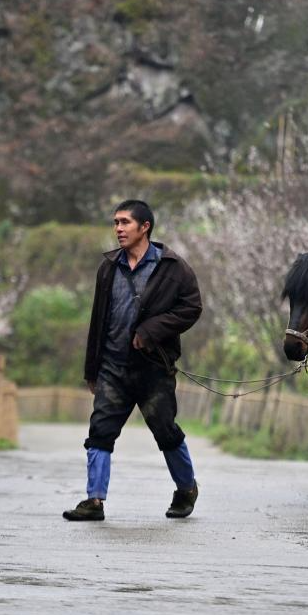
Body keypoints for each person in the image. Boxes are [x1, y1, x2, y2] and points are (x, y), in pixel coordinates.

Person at [63, 199, 202, 521]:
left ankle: (186, 489)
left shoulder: (173, 267)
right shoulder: (108, 267)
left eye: (125, 222)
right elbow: (98, 320)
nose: (118, 229)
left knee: (165, 431)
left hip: (153, 367)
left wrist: (152, 329)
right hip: (112, 366)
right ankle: (94, 501)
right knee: (100, 431)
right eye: (115, 223)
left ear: (145, 227)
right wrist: (92, 368)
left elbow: (192, 308)